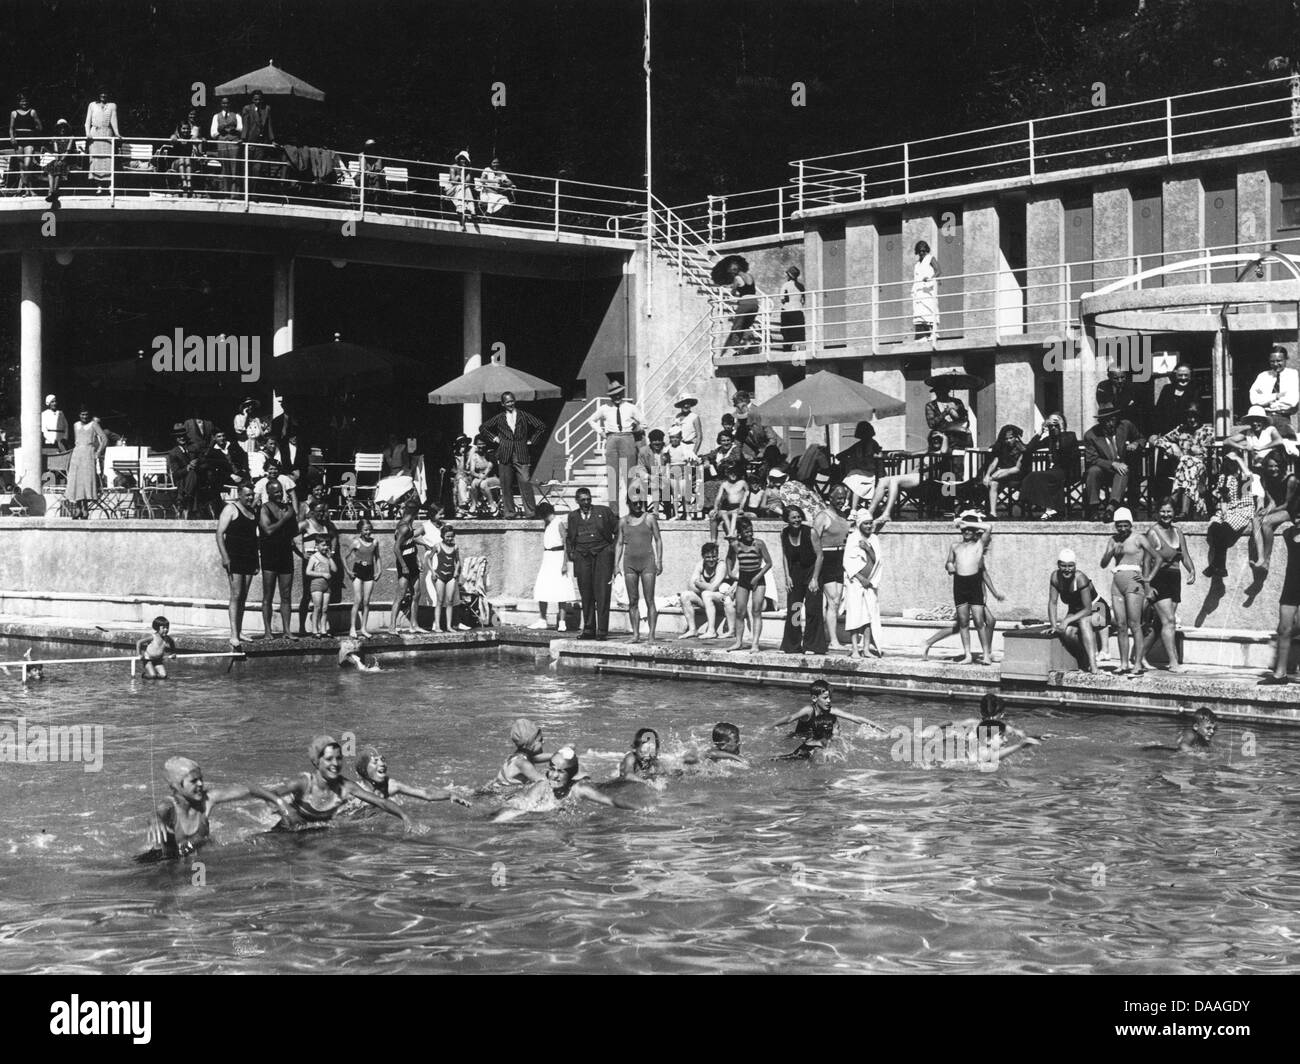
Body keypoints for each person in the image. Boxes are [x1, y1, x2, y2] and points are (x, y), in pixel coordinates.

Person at [141, 756, 291, 861]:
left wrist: (279, 802)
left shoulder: (207, 799)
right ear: (176, 786)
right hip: (167, 861)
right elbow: (159, 812)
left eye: (201, 779)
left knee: (200, 888)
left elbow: (248, 789)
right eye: (194, 781)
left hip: (195, 860)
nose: (200, 784)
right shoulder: (170, 806)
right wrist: (155, 819)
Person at [272, 736, 411, 830]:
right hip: (285, 834)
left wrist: (404, 816)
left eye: (338, 758)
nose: (335, 764)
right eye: (329, 759)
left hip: (313, 835)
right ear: (316, 762)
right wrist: (285, 809)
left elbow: (380, 802)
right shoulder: (304, 782)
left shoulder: (346, 786)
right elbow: (270, 794)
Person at [492, 747, 653, 821]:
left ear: (570, 775)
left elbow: (611, 800)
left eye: (560, 772)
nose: (553, 775)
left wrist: (642, 809)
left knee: (613, 785)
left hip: (600, 785)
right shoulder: (542, 786)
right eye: (552, 769)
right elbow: (518, 807)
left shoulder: (579, 789)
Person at [1138, 498, 1195, 673]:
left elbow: (1184, 555)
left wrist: (1192, 570)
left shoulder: (1178, 532)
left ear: (1174, 512)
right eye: (1162, 511)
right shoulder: (1153, 532)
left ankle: (1138, 657)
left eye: (1169, 511)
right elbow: (1146, 562)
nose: (1166, 515)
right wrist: (1147, 587)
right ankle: (1173, 663)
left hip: (1174, 578)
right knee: (1169, 621)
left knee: (1159, 624)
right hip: (1158, 578)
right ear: (1158, 512)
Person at [770, 679, 881, 760]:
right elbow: (789, 718)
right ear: (814, 698)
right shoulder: (809, 710)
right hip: (799, 738)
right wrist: (767, 727)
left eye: (830, 698)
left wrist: (881, 728)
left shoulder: (830, 710)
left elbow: (856, 718)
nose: (828, 701)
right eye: (825, 698)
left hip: (817, 739)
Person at [946, 513, 1003, 665]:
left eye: (970, 530)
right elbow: (949, 562)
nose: (967, 532)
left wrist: (965, 522)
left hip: (974, 585)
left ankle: (985, 654)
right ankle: (967, 654)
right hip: (960, 584)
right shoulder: (955, 546)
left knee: (979, 621)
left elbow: (988, 527)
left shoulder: (979, 545)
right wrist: (950, 566)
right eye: (964, 530)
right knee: (963, 621)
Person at [479, 391, 546, 519]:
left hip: (521, 453)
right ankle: (509, 513)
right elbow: (483, 428)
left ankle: (530, 512)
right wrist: (494, 439)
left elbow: (541, 426)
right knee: (506, 484)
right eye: (508, 402)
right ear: (503, 404)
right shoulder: (499, 418)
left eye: (512, 401)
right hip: (504, 453)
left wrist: (532, 440)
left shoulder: (523, 415)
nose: (510, 404)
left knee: (525, 481)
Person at [565, 487, 619, 640]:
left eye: (588, 499)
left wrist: (611, 549)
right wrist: (572, 554)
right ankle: (589, 629)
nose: (586, 502)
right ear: (577, 501)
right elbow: (570, 538)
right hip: (582, 557)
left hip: (602, 555)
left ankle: (602, 631)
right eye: (583, 500)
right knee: (586, 593)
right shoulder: (573, 516)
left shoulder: (604, 512)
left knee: (602, 592)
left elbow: (618, 529)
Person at [1099, 507, 1148, 675]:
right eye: (1118, 525)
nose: (1122, 529)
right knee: (1121, 625)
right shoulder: (1113, 540)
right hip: (1117, 584)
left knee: (1135, 624)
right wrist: (1112, 551)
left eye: (1125, 525)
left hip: (1133, 584)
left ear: (1130, 524)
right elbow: (1103, 563)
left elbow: (1156, 556)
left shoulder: (1139, 538)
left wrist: (1147, 578)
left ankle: (1138, 664)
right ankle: (1124, 663)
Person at [1204, 449, 1262, 578]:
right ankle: (1220, 566)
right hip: (1229, 509)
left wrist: (1238, 458)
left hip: (1243, 509)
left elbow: (1247, 474)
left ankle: (1216, 565)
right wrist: (1224, 511)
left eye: (1232, 461)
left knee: (1224, 529)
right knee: (1214, 528)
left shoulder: (1243, 477)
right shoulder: (1223, 478)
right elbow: (1224, 499)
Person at [588, 381, 643, 517]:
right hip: (611, 439)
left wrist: (634, 429)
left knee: (629, 475)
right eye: (613, 395)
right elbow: (591, 420)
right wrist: (601, 432)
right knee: (612, 476)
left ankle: (633, 509)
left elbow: (644, 422)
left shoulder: (631, 407)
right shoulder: (605, 408)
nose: (616, 397)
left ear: (622, 394)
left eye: (618, 394)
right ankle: (614, 512)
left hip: (627, 438)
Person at [779, 505, 828, 655]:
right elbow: (785, 556)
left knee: (813, 609)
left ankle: (812, 645)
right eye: (793, 517)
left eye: (799, 516)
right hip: (795, 573)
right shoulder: (784, 533)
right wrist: (787, 577)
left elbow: (820, 556)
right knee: (794, 610)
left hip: (812, 571)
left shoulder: (810, 532)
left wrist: (814, 579)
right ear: (787, 519)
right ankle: (792, 644)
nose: (797, 520)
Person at [216, 483, 260, 649]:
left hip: (249, 556)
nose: (250, 497)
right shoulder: (230, 509)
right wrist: (225, 556)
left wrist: (256, 561)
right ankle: (233, 634)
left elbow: (254, 539)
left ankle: (240, 630)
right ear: (240, 495)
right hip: (234, 556)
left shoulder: (253, 512)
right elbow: (219, 533)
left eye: (252, 495)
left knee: (244, 595)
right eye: (247, 495)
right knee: (236, 594)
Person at [352, 747, 470, 807]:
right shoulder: (353, 790)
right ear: (363, 771)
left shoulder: (391, 786)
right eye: (375, 761)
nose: (382, 764)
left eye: (382, 760)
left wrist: (449, 794)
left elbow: (426, 794)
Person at [615, 497, 663, 643]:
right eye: (634, 503)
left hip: (647, 562)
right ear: (628, 503)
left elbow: (658, 540)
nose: (637, 505)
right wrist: (615, 565)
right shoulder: (623, 521)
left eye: (640, 503)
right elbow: (619, 543)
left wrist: (659, 561)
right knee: (633, 600)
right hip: (630, 562)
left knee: (649, 599)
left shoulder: (649, 519)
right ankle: (635, 635)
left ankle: (651, 635)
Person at [1083, 403, 1141, 521]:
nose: (1110, 424)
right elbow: (1092, 459)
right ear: (1100, 421)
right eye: (1106, 421)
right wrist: (1113, 464)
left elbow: (1140, 437)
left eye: (1113, 420)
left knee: (1123, 470)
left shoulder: (1125, 426)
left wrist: (1136, 443)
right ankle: (1094, 508)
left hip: (1124, 469)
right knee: (1093, 471)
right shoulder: (1091, 435)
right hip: (1104, 469)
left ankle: (1111, 508)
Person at [1154, 403, 1213, 518]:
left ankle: (1172, 502)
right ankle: (1184, 512)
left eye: (1195, 416)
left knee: (1186, 461)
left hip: (1202, 470)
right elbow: (1159, 441)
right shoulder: (1181, 429)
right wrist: (1172, 446)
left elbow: (1209, 455)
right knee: (1186, 463)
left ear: (1200, 417)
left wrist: (1189, 454)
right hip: (1183, 470)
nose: (1192, 420)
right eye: (1189, 416)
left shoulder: (1208, 431)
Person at [257, 480, 299, 640]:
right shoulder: (264, 508)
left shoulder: (288, 509)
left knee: (286, 594)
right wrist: (284, 519)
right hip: (270, 554)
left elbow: (294, 531)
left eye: (281, 491)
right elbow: (267, 530)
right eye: (276, 492)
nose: (280, 494)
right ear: (269, 493)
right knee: (268, 594)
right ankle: (268, 631)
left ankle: (287, 630)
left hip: (285, 554)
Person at [1019, 412, 1080, 520]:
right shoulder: (1050, 439)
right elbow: (1029, 449)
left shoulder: (1070, 435)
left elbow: (1065, 449)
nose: (1053, 427)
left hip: (1068, 471)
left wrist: (1061, 428)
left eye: (1055, 424)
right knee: (1031, 477)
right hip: (1054, 471)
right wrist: (1041, 430)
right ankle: (1037, 508)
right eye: (1051, 425)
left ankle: (1051, 508)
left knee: (1039, 476)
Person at [1048, 549, 1100, 672]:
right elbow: (1052, 602)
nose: (1067, 569)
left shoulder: (1080, 578)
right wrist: (1054, 625)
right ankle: (1083, 658)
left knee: (1082, 623)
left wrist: (1067, 621)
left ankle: (1093, 666)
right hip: (1077, 611)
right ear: (1058, 565)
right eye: (1063, 566)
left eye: (1070, 566)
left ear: (1075, 566)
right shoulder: (1055, 577)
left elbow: (1088, 609)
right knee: (1066, 632)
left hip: (1098, 609)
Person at [726, 516, 773, 653]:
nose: (750, 534)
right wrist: (729, 572)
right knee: (740, 611)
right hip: (744, 578)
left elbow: (769, 563)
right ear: (740, 532)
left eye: (751, 531)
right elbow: (729, 558)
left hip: (758, 578)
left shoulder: (758, 544)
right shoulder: (735, 545)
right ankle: (738, 642)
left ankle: (755, 643)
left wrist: (758, 577)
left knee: (756, 610)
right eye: (746, 532)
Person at [1250, 451, 1300, 578]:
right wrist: (1265, 510)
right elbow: (1272, 501)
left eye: (1276, 466)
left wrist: (1269, 512)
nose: (1273, 469)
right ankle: (1260, 558)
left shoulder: (1291, 479)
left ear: (1281, 465)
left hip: (1293, 511)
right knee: (1256, 519)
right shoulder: (1266, 478)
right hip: (1280, 508)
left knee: (1266, 522)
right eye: (1270, 466)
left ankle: (1267, 560)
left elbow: (1287, 504)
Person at [1261, 524, 1300, 685]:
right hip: (1291, 585)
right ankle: (1280, 674)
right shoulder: (1287, 533)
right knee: (1284, 629)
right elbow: (1271, 520)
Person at [528, 502, 576, 631]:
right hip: (548, 557)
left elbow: (566, 544)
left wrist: (565, 563)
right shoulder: (547, 524)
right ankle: (542, 619)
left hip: (558, 556)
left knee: (561, 590)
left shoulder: (558, 522)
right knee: (542, 588)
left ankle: (561, 622)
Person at [843, 512, 885, 658]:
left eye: (870, 523)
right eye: (865, 523)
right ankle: (855, 649)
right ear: (859, 524)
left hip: (870, 583)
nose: (869, 526)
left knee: (869, 616)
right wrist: (861, 578)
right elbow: (847, 562)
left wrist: (868, 549)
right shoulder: (853, 538)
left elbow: (878, 560)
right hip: (855, 582)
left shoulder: (874, 538)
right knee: (854, 615)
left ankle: (866, 649)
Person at [298, 497, 341, 636]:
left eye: (324, 511)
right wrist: (301, 552)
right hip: (311, 562)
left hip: (324, 563)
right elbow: (290, 536)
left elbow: (334, 536)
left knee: (324, 598)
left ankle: (321, 628)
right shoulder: (306, 524)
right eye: (319, 511)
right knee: (306, 595)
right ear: (312, 511)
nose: (322, 514)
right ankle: (302, 628)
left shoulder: (327, 525)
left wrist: (332, 552)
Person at [677, 541, 735, 640]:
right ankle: (692, 630)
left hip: (721, 599)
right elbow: (690, 586)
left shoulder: (721, 565)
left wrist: (700, 583)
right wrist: (704, 586)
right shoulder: (700, 565)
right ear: (703, 557)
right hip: (707, 599)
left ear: (717, 556)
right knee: (685, 595)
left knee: (707, 594)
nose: (711, 560)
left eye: (714, 557)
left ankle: (711, 631)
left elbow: (713, 587)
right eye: (708, 557)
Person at [390, 500, 431, 634]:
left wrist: (422, 547)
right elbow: (396, 548)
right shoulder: (404, 527)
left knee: (417, 593)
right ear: (415, 512)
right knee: (400, 595)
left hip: (412, 562)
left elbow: (410, 540)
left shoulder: (409, 524)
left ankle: (414, 625)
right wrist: (403, 566)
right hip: (405, 563)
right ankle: (392, 627)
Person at [65, 407, 108, 519]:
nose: (84, 417)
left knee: (85, 481)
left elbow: (104, 439)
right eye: (82, 414)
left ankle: (85, 509)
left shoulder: (94, 425)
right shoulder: (76, 425)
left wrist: (98, 453)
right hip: (77, 454)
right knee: (76, 481)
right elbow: (77, 440)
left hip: (88, 454)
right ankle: (78, 508)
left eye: (86, 414)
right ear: (79, 415)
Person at [1248, 345, 1300, 434]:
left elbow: (1292, 401)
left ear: (1286, 359)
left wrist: (1266, 401)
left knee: (1284, 444)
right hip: (1263, 419)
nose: (1275, 364)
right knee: (1263, 445)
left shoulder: (1292, 375)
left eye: (1279, 361)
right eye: (1272, 361)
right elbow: (1254, 399)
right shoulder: (1263, 376)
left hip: (1282, 419)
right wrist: (1275, 396)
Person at [344, 518, 381, 637]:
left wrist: (379, 571)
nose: (368, 532)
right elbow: (344, 557)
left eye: (370, 530)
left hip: (369, 571)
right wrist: (348, 571)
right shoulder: (356, 542)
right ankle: (352, 628)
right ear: (360, 530)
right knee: (358, 599)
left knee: (366, 601)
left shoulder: (375, 542)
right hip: (358, 570)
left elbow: (377, 557)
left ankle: (364, 628)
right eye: (365, 530)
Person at [492, 719, 552, 788]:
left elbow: (536, 758)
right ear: (531, 743)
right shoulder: (522, 763)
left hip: (497, 790)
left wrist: (558, 754)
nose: (543, 742)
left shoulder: (519, 756)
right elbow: (543, 782)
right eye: (540, 740)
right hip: (498, 795)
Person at [981, 424, 1026, 517]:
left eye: (1011, 438)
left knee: (994, 479)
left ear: (1016, 437)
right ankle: (992, 513)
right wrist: (987, 475)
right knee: (993, 483)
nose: (1008, 441)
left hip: (1017, 475)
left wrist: (999, 473)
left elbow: (1017, 469)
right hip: (1003, 474)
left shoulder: (1022, 449)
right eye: (1006, 439)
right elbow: (995, 462)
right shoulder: (1002, 447)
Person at [240, 90, 276, 196]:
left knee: (258, 169)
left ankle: (254, 193)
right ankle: (246, 193)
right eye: (255, 99)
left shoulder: (267, 109)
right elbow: (245, 125)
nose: (258, 101)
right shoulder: (247, 109)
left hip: (260, 144)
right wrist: (243, 138)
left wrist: (272, 139)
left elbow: (269, 125)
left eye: (259, 99)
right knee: (248, 168)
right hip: (250, 142)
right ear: (252, 100)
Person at [721, 257, 760, 355]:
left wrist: (732, 288)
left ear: (734, 272)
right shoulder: (750, 276)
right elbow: (746, 286)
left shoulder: (737, 278)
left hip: (745, 303)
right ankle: (749, 343)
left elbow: (733, 293)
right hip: (755, 304)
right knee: (746, 325)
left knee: (736, 327)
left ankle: (737, 348)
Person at [429, 523, 462, 633]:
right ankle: (437, 626)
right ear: (442, 536)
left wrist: (457, 571)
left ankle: (449, 626)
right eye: (447, 536)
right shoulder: (437, 546)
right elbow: (429, 559)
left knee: (450, 601)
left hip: (451, 576)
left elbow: (457, 561)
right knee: (439, 600)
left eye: (451, 536)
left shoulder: (455, 547)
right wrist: (433, 572)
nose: (450, 538)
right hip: (440, 575)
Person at [83, 90, 119, 191]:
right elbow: (87, 121)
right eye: (101, 93)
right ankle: (98, 185)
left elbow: (114, 120)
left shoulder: (112, 105)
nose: (103, 96)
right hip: (95, 133)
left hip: (107, 133)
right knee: (96, 159)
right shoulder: (92, 105)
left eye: (105, 94)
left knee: (108, 159)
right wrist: (87, 133)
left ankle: (109, 185)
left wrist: (117, 133)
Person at [9, 90, 42, 195]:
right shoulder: (13, 113)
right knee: (21, 166)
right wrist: (12, 137)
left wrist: (33, 131)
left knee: (28, 164)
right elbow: (11, 128)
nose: (24, 103)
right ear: (18, 102)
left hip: (29, 139)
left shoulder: (32, 111)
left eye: (26, 101)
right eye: (22, 101)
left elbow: (40, 126)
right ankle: (28, 190)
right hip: (18, 140)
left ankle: (30, 189)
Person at [1143, 707, 1219, 753]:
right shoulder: (1191, 734)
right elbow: (1183, 746)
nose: (1212, 732)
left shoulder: (1203, 738)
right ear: (1196, 727)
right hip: (1163, 751)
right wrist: (1198, 753)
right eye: (1208, 728)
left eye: (1214, 729)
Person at [709, 460, 750, 542]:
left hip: (739, 508)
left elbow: (746, 495)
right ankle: (713, 540)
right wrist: (715, 508)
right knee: (712, 515)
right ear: (727, 473)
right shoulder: (724, 484)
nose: (733, 474)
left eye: (735, 472)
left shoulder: (742, 483)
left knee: (734, 513)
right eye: (731, 472)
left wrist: (741, 507)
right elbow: (718, 498)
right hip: (728, 509)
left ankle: (732, 535)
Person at [209, 97, 242, 197]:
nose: (226, 105)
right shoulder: (216, 116)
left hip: (234, 143)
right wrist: (220, 130)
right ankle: (225, 192)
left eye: (227, 103)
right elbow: (213, 133)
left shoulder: (236, 115)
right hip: (222, 143)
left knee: (235, 167)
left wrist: (233, 129)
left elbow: (240, 128)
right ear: (221, 104)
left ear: (230, 104)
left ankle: (234, 193)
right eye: (223, 103)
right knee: (224, 167)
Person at [305, 536, 338, 638]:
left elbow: (335, 569)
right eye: (323, 545)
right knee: (317, 607)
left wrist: (329, 557)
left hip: (327, 586)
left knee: (325, 609)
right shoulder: (314, 557)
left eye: (327, 545)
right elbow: (308, 571)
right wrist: (322, 574)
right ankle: (315, 630)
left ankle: (323, 629)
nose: (325, 547)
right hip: (317, 585)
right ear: (317, 546)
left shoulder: (327, 558)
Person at [924, 378, 971, 449]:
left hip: (958, 437)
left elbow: (965, 420)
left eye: (944, 390)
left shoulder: (957, 402)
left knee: (960, 456)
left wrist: (958, 410)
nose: (941, 393)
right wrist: (945, 412)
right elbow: (931, 424)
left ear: (948, 390)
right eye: (938, 391)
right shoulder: (931, 405)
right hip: (941, 438)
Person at [1095, 363, 1143, 431]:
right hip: (1111, 424)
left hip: (1130, 424)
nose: (1120, 381)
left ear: (1126, 375)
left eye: (1122, 377)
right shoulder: (1102, 386)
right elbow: (1107, 408)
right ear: (1109, 376)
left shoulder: (1134, 387)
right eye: (1116, 378)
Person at [168, 111, 203, 197]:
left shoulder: (191, 137)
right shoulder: (177, 137)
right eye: (183, 128)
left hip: (188, 163)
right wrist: (173, 138)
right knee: (182, 158)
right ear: (180, 129)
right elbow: (172, 138)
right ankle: (186, 182)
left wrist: (200, 140)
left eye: (187, 129)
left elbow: (198, 140)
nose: (185, 130)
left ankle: (187, 183)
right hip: (176, 163)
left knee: (186, 158)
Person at [42, 118, 74, 207]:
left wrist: (61, 160)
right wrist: (57, 160)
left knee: (58, 167)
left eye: (64, 127)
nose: (62, 129)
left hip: (67, 159)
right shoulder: (55, 138)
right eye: (60, 127)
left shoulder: (71, 137)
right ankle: (52, 191)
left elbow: (68, 150)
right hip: (58, 158)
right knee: (51, 166)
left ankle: (52, 192)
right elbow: (56, 151)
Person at [683, 722, 748, 767]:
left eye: (737, 741)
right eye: (735, 741)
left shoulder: (734, 750)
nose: (738, 743)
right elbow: (711, 753)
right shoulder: (715, 750)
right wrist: (737, 757)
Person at [912, 241, 939, 339]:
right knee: (919, 312)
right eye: (919, 251)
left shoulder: (930, 258)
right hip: (919, 290)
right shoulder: (917, 264)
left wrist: (930, 278)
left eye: (923, 251)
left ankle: (932, 333)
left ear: (926, 250)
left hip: (928, 289)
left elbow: (939, 271)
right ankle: (921, 335)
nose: (921, 253)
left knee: (929, 309)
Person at [445, 149, 477, 229]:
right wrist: (458, 176)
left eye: (465, 159)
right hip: (451, 190)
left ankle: (465, 209)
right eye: (462, 158)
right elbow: (453, 181)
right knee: (461, 187)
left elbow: (467, 182)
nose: (463, 161)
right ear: (459, 159)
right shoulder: (453, 167)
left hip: (463, 191)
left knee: (465, 187)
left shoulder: (468, 169)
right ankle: (470, 209)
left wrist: (466, 171)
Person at [779, 265, 806, 350]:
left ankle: (787, 354)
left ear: (789, 275)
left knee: (786, 334)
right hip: (798, 312)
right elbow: (803, 301)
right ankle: (800, 358)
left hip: (787, 311)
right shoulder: (801, 286)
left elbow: (782, 299)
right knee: (799, 336)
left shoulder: (786, 285)